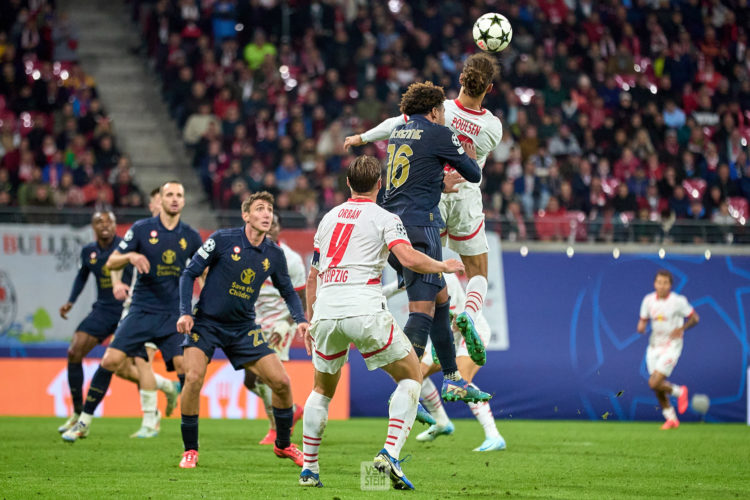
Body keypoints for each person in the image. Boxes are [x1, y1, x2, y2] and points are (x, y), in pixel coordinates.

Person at [299, 155, 465, 489]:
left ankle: (310, 470)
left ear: (347, 183)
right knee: (412, 375)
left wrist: (310, 320)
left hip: (327, 312)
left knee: (320, 390)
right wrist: (442, 266)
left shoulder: (327, 219)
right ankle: (390, 453)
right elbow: (408, 258)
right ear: (379, 185)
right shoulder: (385, 217)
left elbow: (313, 276)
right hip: (364, 308)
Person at [345, 54, 503, 367]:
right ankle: (469, 315)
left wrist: (362, 136)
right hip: (467, 198)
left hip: (435, 194)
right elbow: (475, 169)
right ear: (490, 87)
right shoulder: (491, 127)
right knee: (478, 273)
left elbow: (396, 124)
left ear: (461, 79)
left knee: (428, 272)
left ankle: (419, 361)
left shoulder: (440, 109)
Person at [176, 191, 308, 469]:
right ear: (245, 215)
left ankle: (283, 445)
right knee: (194, 378)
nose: (266, 214)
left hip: (243, 327)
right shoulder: (222, 240)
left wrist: (300, 320)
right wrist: (185, 313)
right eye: (259, 209)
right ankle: (190, 450)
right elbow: (189, 274)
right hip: (206, 323)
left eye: (269, 209)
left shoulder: (274, 253)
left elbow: (288, 291)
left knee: (282, 383)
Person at [62, 181, 202, 442]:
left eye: (179, 195)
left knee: (188, 372)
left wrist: (201, 305)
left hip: (173, 314)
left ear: (184, 201)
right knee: (110, 361)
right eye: (169, 194)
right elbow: (113, 260)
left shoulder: (191, 236)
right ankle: (83, 421)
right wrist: (130, 257)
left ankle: (188, 441)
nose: (174, 199)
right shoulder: (141, 229)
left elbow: (203, 270)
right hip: (141, 311)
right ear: (160, 199)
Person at [383, 272, 506, 451]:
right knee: (414, 372)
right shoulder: (414, 273)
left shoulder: (446, 280)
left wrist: (442, 353)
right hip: (445, 337)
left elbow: (456, 322)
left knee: (460, 383)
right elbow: (388, 290)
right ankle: (441, 422)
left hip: (469, 332)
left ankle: (494, 435)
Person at [57, 211, 142, 433]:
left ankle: (154, 409)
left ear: (115, 225)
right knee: (74, 352)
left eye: (109, 221)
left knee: (133, 366)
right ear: (93, 227)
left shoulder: (127, 247)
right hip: (103, 310)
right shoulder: (89, 252)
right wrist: (71, 301)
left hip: (128, 311)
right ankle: (77, 413)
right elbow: (82, 276)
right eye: (99, 222)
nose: (104, 225)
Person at [111, 186, 182, 423]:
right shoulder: (141, 233)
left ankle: (150, 419)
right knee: (120, 366)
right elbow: (116, 263)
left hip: (159, 309)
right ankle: (167, 386)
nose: (159, 206)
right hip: (133, 306)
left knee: (142, 362)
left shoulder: (177, 237)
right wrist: (117, 283)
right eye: (156, 202)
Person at [243, 213, 305, 445]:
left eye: (274, 224)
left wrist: (287, 323)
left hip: (279, 323)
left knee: (265, 378)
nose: (269, 228)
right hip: (253, 323)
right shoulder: (247, 254)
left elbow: (302, 298)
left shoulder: (291, 259)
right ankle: (291, 409)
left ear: (279, 229)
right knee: (250, 381)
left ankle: (278, 427)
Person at [637, 270, 699, 429]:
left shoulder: (678, 301)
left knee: (654, 383)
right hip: (654, 346)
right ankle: (671, 418)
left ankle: (679, 391)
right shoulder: (648, 300)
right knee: (657, 385)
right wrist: (641, 326)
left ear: (670, 285)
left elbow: (695, 318)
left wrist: (682, 328)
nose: (662, 286)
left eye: (665, 283)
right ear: (654, 284)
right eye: (659, 282)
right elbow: (643, 320)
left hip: (672, 346)